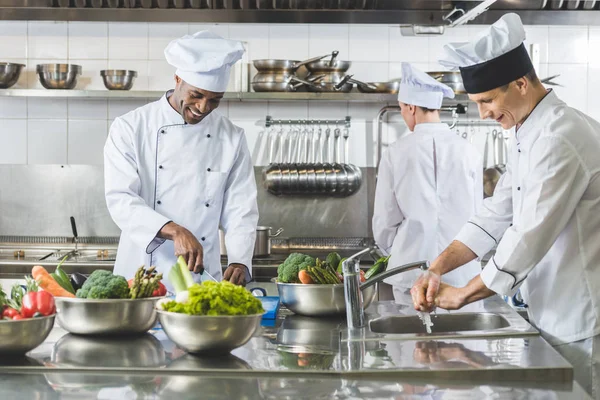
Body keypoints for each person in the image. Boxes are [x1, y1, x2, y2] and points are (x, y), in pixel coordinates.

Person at [410, 13, 600, 398]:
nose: (483, 113)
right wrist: (437, 268)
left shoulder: (561, 137)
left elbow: (527, 236)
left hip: (581, 319)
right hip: (551, 313)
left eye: (487, 100)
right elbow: (498, 212)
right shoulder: (528, 131)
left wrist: (464, 294)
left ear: (521, 83)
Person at [104, 31, 259, 287]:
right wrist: (175, 230)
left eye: (215, 100)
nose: (202, 108)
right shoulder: (131, 127)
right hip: (142, 272)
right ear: (178, 79)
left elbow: (241, 207)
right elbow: (121, 199)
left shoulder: (231, 137)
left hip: (202, 275)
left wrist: (240, 259)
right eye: (196, 95)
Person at [372, 63, 483, 301]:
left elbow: (384, 222)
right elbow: (479, 216)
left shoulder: (395, 153)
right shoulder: (469, 151)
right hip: (462, 277)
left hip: (409, 275)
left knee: (410, 336)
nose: (403, 115)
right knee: (464, 338)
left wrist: (400, 252)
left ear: (411, 107)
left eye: (402, 109)